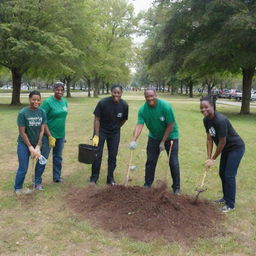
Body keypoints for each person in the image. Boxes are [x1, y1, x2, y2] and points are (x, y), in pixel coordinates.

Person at [129, 88, 180, 194]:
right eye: (147, 96)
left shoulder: (165, 106)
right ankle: (147, 183)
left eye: (152, 96)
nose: (150, 98)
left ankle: (176, 188)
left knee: (173, 162)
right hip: (154, 137)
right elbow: (139, 125)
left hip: (171, 137)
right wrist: (134, 140)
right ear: (145, 97)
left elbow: (171, 124)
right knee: (150, 161)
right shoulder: (143, 110)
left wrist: (163, 141)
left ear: (156, 95)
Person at [200, 96, 245, 212]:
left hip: (235, 148)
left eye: (206, 107)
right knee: (222, 173)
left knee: (229, 175)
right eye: (201, 107)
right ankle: (225, 198)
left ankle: (231, 204)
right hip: (226, 149)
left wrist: (213, 158)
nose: (204, 109)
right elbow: (209, 139)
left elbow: (222, 142)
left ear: (212, 106)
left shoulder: (220, 120)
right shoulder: (206, 120)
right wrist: (209, 157)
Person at [90, 85, 129, 185]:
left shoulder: (124, 105)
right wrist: (96, 135)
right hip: (101, 130)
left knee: (113, 155)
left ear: (121, 93)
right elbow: (97, 119)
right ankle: (94, 178)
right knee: (97, 155)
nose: (116, 94)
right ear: (111, 92)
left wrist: (116, 127)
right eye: (114, 92)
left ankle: (110, 178)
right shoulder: (103, 103)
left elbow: (124, 119)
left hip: (115, 132)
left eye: (118, 93)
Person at [36, 82, 68, 186]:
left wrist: (63, 135)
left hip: (60, 135)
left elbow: (62, 119)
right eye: (57, 89)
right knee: (43, 157)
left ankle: (57, 177)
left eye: (61, 90)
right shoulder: (48, 102)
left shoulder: (64, 101)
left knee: (58, 157)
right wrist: (49, 136)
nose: (59, 92)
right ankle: (37, 181)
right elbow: (43, 121)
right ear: (54, 90)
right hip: (47, 136)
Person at [14, 91, 47, 194]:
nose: (36, 102)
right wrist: (30, 147)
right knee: (23, 167)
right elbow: (22, 132)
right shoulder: (23, 113)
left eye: (38, 100)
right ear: (29, 99)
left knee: (41, 163)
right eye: (33, 99)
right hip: (24, 144)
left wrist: (38, 145)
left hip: (36, 143)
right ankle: (18, 188)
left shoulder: (42, 112)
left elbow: (42, 130)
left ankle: (37, 183)